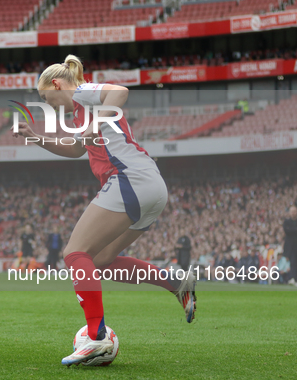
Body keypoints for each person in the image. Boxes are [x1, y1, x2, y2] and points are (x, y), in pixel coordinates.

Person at [13, 55, 196, 366]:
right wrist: (35, 137)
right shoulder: (81, 111)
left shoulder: (83, 93)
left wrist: (95, 123)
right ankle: (176, 284)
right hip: (150, 186)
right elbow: (74, 149)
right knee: (100, 261)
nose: (50, 104)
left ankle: (96, 337)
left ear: (57, 84)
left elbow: (120, 92)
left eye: (46, 97)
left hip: (128, 178)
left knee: (75, 253)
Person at [282, 206, 297, 285]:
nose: (293, 213)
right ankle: (293, 278)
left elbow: (289, 230)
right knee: (293, 262)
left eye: (294, 211)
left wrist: (291, 229)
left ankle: (294, 278)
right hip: (290, 247)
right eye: (292, 211)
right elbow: (286, 230)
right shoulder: (287, 221)